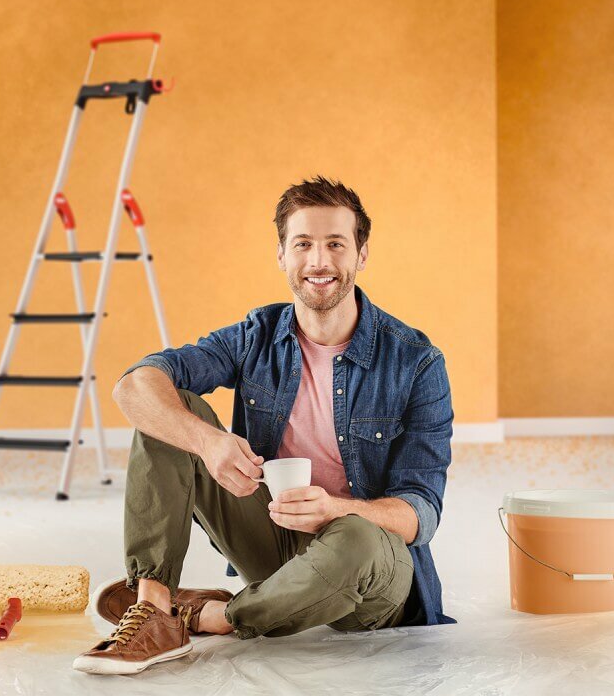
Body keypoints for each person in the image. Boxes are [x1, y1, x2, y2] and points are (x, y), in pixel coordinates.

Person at [73, 176, 455, 676]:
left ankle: (215, 616)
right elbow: (134, 386)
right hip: (274, 538)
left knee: (355, 537)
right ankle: (154, 608)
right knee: (169, 410)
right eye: (303, 244)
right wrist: (208, 442)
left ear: (361, 254)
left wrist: (335, 508)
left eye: (336, 244)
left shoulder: (416, 361)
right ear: (282, 254)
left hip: (369, 567)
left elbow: (420, 513)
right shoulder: (257, 335)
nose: (319, 261)